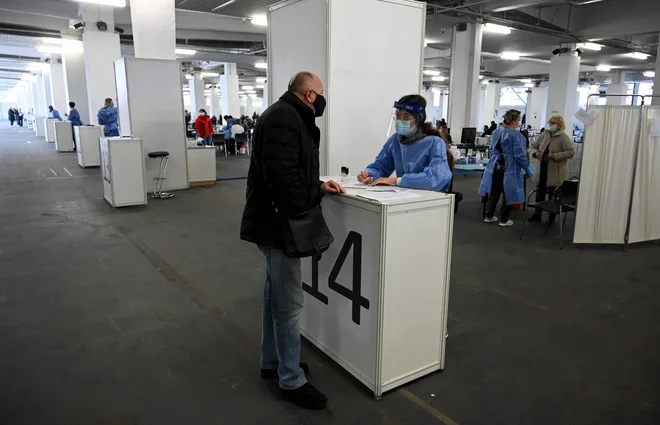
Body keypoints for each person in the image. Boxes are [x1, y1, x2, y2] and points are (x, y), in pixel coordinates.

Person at [241, 72, 343, 411]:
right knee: (289, 305)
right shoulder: (286, 119)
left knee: (275, 297)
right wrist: (307, 204)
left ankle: (272, 362)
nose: (323, 99)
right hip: (279, 225)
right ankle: (291, 380)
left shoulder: (286, 116)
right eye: (321, 93)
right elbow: (283, 180)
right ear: (310, 94)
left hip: (273, 222)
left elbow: (292, 171)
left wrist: (318, 187)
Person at [356, 94, 453, 192]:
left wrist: (397, 181)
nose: (400, 121)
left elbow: (436, 178)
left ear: (419, 118)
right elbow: (380, 166)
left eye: (406, 117)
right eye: (397, 116)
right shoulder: (396, 140)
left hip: (431, 199)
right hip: (404, 197)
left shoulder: (434, 143)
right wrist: (369, 176)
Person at [478, 109, 534, 227]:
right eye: (518, 120)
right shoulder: (516, 135)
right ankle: (504, 219)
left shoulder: (496, 132)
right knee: (509, 192)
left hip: (495, 165)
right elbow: (519, 154)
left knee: (494, 191)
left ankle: (489, 215)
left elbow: (492, 147)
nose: (519, 122)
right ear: (514, 121)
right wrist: (527, 167)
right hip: (509, 167)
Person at [528, 115, 576, 224]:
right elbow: (533, 146)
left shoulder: (563, 137)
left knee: (552, 194)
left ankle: (551, 216)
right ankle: (537, 213)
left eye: (553, 123)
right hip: (542, 169)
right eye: (550, 123)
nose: (551, 125)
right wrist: (536, 153)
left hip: (555, 171)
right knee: (540, 192)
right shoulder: (544, 135)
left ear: (559, 125)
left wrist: (554, 156)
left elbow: (571, 152)